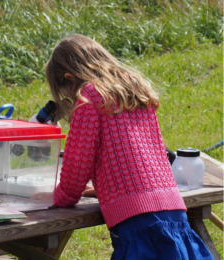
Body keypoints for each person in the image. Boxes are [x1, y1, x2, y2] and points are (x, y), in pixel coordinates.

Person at [44, 33, 212, 259]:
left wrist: (58, 197)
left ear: (68, 78)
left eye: (66, 94)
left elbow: (77, 166)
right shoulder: (133, 88)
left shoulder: (88, 98)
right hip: (171, 207)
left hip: (137, 224)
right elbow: (138, 153)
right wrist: (107, 187)